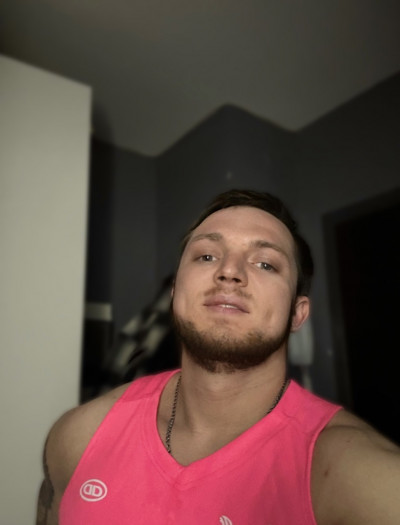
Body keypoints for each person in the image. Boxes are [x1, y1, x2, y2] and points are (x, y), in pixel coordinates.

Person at [37, 189, 400, 525]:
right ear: (175, 292)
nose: (229, 271)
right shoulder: (77, 437)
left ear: (297, 314)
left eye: (266, 264)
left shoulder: (362, 478)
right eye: (207, 256)